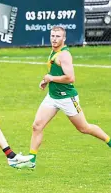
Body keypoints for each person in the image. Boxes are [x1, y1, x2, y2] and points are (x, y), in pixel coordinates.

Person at [19, 26, 111, 169]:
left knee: (84, 128)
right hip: (53, 97)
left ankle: (109, 142)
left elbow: (70, 78)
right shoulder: (54, 51)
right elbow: (55, 72)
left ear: (64, 39)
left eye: (58, 36)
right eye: (53, 36)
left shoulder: (64, 55)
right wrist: (46, 81)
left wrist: (50, 78)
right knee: (37, 126)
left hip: (67, 98)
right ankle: (31, 159)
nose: (54, 39)